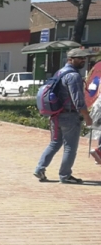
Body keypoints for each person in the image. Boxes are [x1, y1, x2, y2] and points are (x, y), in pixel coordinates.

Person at [34, 48, 94, 184]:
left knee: (55, 143)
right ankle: (65, 175)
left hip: (56, 115)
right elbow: (78, 100)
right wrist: (87, 117)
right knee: (70, 147)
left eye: (84, 58)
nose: (83, 60)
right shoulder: (73, 76)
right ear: (70, 59)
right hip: (69, 116)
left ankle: (39, 169)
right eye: (80, 58)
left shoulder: (60, 72)